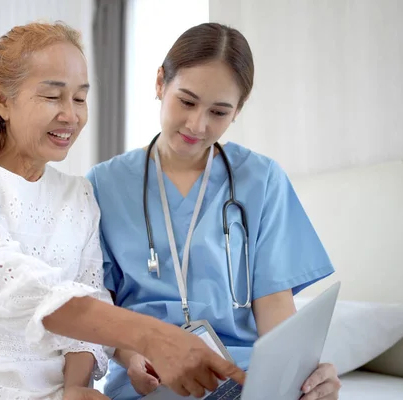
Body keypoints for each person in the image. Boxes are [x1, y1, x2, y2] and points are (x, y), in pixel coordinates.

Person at [0, 21, 245, 400]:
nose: (71, 116)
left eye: (80, 98)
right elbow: (8, 281)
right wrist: (148, 334)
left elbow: (89, 294)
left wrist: (76, 387)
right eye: (53, 97)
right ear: (1, 99)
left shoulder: (78, 195)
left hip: (44, 391)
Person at [86, 22, 342, 400]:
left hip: (243, 378)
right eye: (186, 102)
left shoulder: (261, 180)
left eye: (219, 112)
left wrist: (300, 378)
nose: (197, 125)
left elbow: (275, 311)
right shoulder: (103, 185)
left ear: (238, 111)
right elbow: (98, 308)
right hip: (155, 378)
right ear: (160, 83)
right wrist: (130, 354)